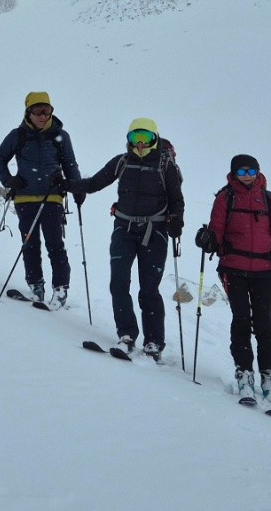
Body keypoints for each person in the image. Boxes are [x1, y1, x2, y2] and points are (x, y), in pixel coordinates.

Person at [195, 154, 271, 413]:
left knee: (264, 324)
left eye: (251, 170)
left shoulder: (270, 201)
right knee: (241, 320)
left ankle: (269, 377)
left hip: (264, 270)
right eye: (241, 171)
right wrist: (208, 240)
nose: (247, 175)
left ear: (258, 172)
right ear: (234, 173)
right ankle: (244, 373)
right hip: (233, 269)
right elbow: (217, 231)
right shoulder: (225, 198)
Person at [71, 118, 184, 361]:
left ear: (155, 139)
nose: (140, 143)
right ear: (128, 140)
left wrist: (177, 221)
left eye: (145, 138)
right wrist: (66, 184)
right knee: (118, 282)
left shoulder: (166, 166)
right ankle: (127, 335)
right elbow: (94, 183)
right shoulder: (122, 162)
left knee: (149, 288)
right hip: (123, 228)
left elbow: (176, 199)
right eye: (135, 138)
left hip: (155, 232)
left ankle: (154, 342)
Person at [0, 92, 82, 308]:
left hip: (52, 197)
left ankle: (60, 290)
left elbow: (70, 165)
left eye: (47, 110)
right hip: (24, 198)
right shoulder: (18, 135)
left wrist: (77, 188)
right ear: (28, 112)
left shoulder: (60, 136)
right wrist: (8, 180)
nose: (43, 115)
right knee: (30, 244)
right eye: (38, 111)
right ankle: (36, 285)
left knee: (55, 245)